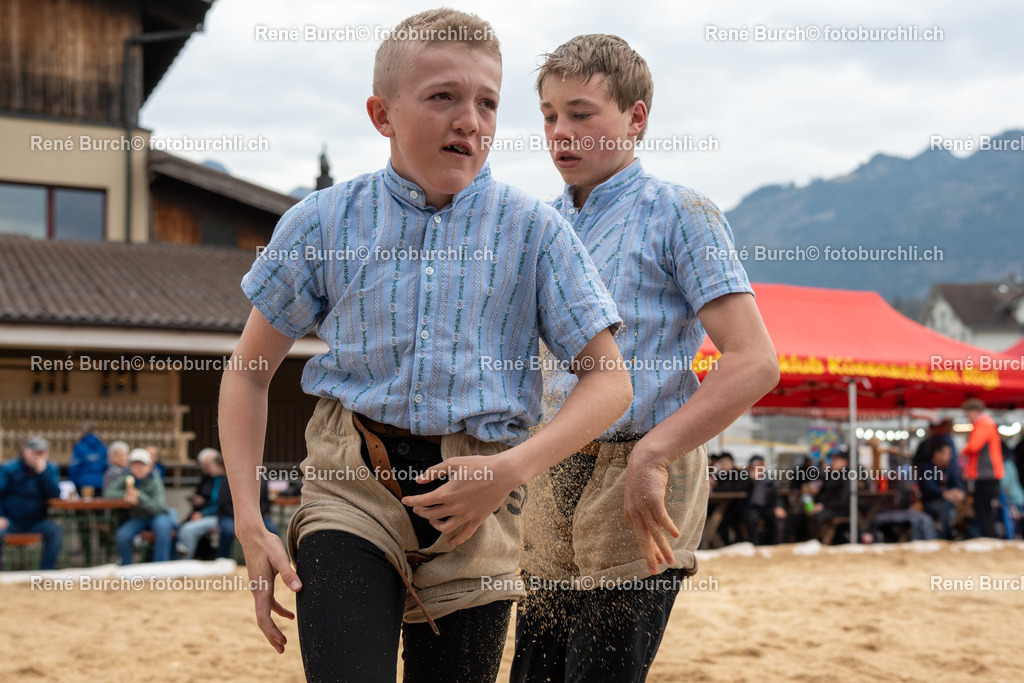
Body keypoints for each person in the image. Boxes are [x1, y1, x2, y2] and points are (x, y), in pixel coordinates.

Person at [217, 10, 633, 682]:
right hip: (351, 487)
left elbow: (610, 380)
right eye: (443, 96)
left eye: (487, 102)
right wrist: (247, 519)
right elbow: (248, 374)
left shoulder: (538, 233)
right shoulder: (323, 221)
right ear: (383, 114)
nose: (470, 119)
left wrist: (510, 470)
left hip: (484, 502)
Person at [512, 34, 778, 682]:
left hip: (648, 461)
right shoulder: (539, 225)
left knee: (600, 672)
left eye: (580, 113)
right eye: (548, 115)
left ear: (637, 118)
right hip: (555, 467)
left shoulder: (680, 213)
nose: (559, 132)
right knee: (533, 671)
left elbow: (753, 360)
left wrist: (654, 454)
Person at [0, 437, 63, 570]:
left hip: (36, 522)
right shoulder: (9, 468)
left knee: (55, 532)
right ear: (25, 452)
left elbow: (54, 495)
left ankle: (46, 573)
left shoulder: (50, 469)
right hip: (11, 521)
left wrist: (42, 473)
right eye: (35, 452)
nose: (38, 456)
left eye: (42, 453)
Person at [106, 449, 176, 564]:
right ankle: (126, 567)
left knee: (163, 528)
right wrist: (126, 494)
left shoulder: (155, 481)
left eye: (142, 465)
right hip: (138, 517)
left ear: (149, 467)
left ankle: (160, 567)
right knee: (122, 535)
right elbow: (109, 493)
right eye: (135, 465)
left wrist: (139, 496)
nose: (138, 468)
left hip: (157, 515)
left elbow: (158, 507)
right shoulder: (127, 479)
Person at [960, 398, 1004, 538]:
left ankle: (989, 536)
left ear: (974, 411)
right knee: (983, 507)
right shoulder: (987, 423)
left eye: (968, 414)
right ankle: (989, 535)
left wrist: (963, 451)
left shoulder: (983, 424)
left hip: (986, 474)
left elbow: (973, 446)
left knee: (981, 507)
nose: (968, 418)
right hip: (988, 473)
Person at [175, 448, 226, 559]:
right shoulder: (207, 478)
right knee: (180, 527)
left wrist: (203, 514)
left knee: (188, 530)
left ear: (219, 465)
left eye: (208, 465)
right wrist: (199, 501)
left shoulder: (226, 481)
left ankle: (184, 562)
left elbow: (223, 504)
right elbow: (204, 495)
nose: (205, 469)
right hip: (202, 513)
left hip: (220, 516)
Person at [919, 442, 966, 539]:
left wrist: (959, 493)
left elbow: (959, 484)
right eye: (947, 454)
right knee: (945, 506)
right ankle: (945, 534)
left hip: (951, 501)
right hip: (931, 501)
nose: (949, 457)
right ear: (937, 454)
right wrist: (944, 494)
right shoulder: (927, 468)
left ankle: (951, 532)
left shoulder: (950, 469)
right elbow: (928, 487)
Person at [742, 455, 787, 545]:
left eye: (760, 465)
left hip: (767, 507)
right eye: (755, 465)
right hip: (751, 507)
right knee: (752, 518)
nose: (758, 468)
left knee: (778, 518)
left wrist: (779, 506)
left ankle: (775, 545)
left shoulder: (769, 480)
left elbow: (776, 496)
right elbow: (740, 490)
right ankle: (754, 545)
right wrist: (751, 479)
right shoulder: (744, 477)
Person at [808, 449, 852, 542]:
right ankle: (807, 541)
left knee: (817, 517)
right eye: (833, 459)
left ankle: (816, 541)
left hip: (838, 510)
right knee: (801, 515)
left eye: (836, 460)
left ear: (845, 462)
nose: (833, 462)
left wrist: (823, 506)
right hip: (825, 507)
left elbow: (841, 501)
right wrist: (815, 504)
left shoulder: (846, 477)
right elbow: (821, 493)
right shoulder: (829, 475)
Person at [69, 421, 106, 495]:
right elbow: (105, 465)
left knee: (82, 505)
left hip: (82, 483)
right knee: (98, 505)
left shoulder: (79, 446)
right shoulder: (102, 446)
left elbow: (74, 466)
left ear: (82, 431)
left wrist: (72, 480)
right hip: (99, 483)